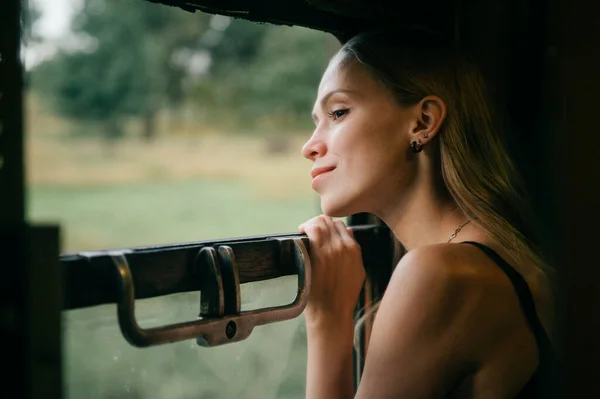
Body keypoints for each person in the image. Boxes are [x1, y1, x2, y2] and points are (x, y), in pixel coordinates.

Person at [298, 30, 555, 398]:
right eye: (315, 120)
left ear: (423, 121)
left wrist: (327, 321)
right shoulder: (497, 256)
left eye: (338, 112)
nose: (310, 146)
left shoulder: (440, 275)